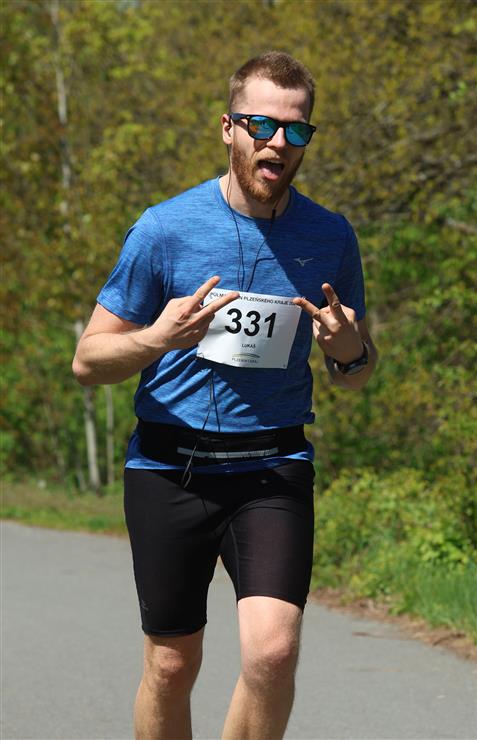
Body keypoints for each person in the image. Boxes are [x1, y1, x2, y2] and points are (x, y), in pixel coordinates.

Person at [72, 50, 377, 740]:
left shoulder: (330, 236)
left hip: (272, 466)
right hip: (168, 468)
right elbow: (88, 361)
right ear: (227, 128)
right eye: (261, 125)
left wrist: (346, 350)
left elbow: (356, 371)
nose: (278, 143)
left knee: (273, 652)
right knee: (171, 664)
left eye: (295, 130)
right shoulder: (164, 229)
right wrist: (158, 338)